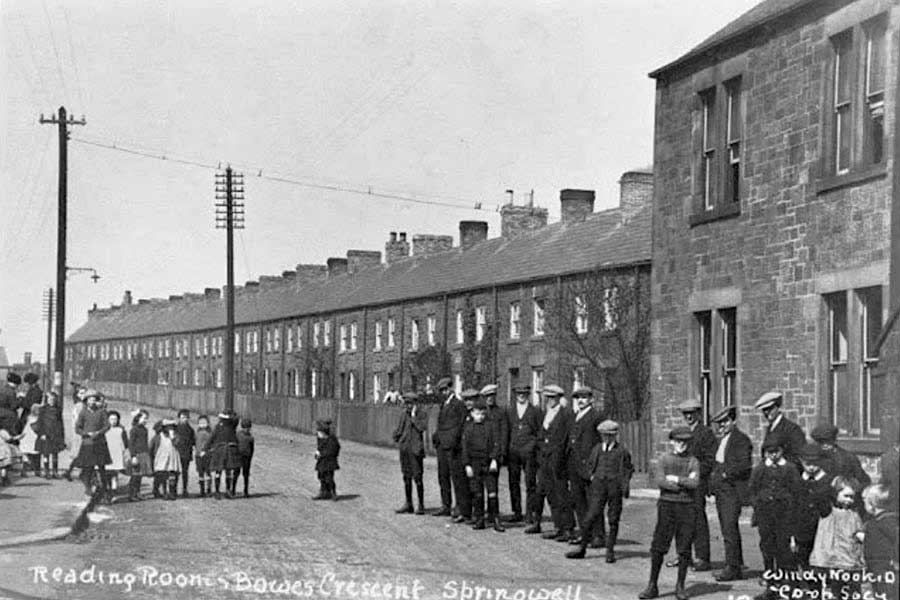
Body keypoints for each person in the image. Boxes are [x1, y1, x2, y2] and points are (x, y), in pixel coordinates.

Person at [638, 426, 700, 600]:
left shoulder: (693, 461)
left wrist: (676, 479)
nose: (682, 445)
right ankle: (652, 585)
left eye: (686, 441)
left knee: (684, 547)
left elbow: (695, 483)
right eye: (679, 441)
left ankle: (680, 586)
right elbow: (661, 481)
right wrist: (681, 484)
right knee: (658, 546)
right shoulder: (664, 460)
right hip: (667, 506)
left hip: (687, 507)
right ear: (672, 442)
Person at [566, 419, 633, 563]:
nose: (607, 438)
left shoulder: (622, 451)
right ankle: (582, 548)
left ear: (615, 436)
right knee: (590, 517)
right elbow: (590, 465)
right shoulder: (596, 449)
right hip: (598, 487)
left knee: (613, 519)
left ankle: (610, 551)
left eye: (610, 435)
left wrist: (625, 485)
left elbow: (628, 469)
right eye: (604, 435)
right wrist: (590, 476)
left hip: (614, 488)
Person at [749, 434, 801, 600]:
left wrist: (789, 506)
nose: (773, 455)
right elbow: (752, 489)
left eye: (776, 451)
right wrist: (758, 504)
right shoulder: (760, 469)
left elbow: (796, 491)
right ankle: (770, 583)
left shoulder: (790, 468)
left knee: (783, 549)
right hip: (765, 514)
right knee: (767, 548)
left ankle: (784, 584)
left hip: (784, 515)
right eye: (769, 452)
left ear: (781, 451)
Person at [708, 405, 753, 582]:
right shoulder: (723, 440)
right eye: (719, 423)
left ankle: (732, 568)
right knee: (727, 528)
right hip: (722, 490)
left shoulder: (741, 440)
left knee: (729, 528)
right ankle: (736, 563)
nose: (722, 426)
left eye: (725, 422)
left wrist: (725, 474)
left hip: (732, 490)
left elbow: (744, 465)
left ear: (733, 421)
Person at [671, 399, 716, 571]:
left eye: (692, 413)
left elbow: (709, 460)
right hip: (680, 485)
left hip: (696, 484)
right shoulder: (680, 433)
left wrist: (694, 473)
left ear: (698, 413)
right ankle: (683, 556)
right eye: (685, 414)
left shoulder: (706, 434)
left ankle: (703, 558)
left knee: (698, 520)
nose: (688, 416)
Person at [809, 477, 865, 600]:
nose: (849, 500)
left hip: (850, 559)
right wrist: (829, 482)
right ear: (835, 494)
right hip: (831, 560)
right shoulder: (828, 511)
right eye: (846, 496)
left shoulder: (854, 514)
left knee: (853, 591)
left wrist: (860, 535)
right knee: (833, 591)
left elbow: (858, 531)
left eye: (852, 497)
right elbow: (818, 495)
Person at [532, 384, 575, 541]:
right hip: (545, 459)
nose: (550, 400)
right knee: (551, 494)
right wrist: (542, 449)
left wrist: (559, 456)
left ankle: (568, 528)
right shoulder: (547, 413)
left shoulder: (565, 414)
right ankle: (558, 526)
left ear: (559, 398)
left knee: (562, 494)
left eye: (553, 398)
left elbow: (565, 439)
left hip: (558, 460)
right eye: (548, 398)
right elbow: (541, 436)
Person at [567, 386, 605, 548]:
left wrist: (597, 466)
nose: (581, 400)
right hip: (574, 466)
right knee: (579, 501)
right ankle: (585, 533)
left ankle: (598, 535)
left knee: (593, 502)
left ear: (591, 399)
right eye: (578, 398)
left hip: (590, 466)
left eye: (584, 397)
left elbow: (602, 443)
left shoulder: (597, 417)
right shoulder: (575, 416)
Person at [462, 397, 504, 532]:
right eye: (476, 413)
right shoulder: (468, 428)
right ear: (472, 414)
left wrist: (494, 460)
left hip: (488, 463)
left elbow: (497, 444)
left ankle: (495, 519)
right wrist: (467, 464)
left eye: (481, 414)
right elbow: (465, 447)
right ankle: (479, 519)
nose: (479, 416)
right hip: (475, 463)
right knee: (477, 492)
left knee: (492, 492)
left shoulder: (490, 427)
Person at [433, 378, 469, 520]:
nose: (444, 392)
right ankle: (445, 505)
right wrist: (436, 438)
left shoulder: (458, 404)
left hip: (453, 447)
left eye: (445, 390)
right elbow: (441, 424)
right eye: (441, 391)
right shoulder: (444, 404)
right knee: (443, 476)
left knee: (457, 478)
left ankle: (459, 507)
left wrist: (453, 442)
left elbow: (460, 426)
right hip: (442, 446)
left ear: (450, 389)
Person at [794, 443, 834, 570]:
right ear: (801, 462)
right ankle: (808, 582)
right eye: (807, 464)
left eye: (815, 464)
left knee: (821, 558)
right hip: (803, 528)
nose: (811, 467)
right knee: (803, 556)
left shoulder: (828, 481)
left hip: (822, 526)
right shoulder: (798, 481)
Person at [506, 384, 541, 526]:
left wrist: (533, 446)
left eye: (524, 393)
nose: (522, 396)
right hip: (513, 450)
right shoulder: (509, 410)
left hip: (529, 451)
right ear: (515, 394)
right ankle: (517, 511)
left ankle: (530, 513)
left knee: (530, 483)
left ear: (528, 394)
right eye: (519, 393)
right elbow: (506, 430)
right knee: (513, 481)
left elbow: (539, 432)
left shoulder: (535, 411)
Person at [857, 484, 898, 600]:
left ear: (871, 505)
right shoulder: (887, 521)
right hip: (882, 568)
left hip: (882, 568)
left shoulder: (879, 523)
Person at [393, 391, 428, 515]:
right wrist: (397, 436)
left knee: (417, 477)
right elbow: (399, 429)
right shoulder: (403, 414)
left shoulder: (421, 413)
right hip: (405, 449)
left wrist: (413, 417)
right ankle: (409, 504)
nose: (407, 406)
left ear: (415, 403)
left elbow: (422, 428)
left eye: (410, 403)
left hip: (415, 450)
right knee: (406, 476)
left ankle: (421, 505)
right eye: (406, 403)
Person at [74, 389, 111, 500]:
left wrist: (98, 433)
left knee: (101, 468)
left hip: (100, 443)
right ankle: (88, 488)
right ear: (86, 401)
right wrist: (86, 434)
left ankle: (104, 491)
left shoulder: (102, 412)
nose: (92, 402)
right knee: (88, 468)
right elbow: (77, 428)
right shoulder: (83, 413)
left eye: (94, 400)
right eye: (90, 400)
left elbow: (107, 426)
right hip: (87, 444)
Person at [810, 423, 871, 489]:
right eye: (821, 442)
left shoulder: (848, 458)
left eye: (828, 442)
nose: (825, 445)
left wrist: (850, 488)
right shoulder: (812, 458)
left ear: (834, 440)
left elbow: (864, 481)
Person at [754, 392, 805, 469]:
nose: (767, 412)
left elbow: (799, 457)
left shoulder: (791, 429)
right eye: (764, 409)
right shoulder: (770, 428)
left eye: (770, 408)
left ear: (778, 407)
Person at [206, 409, 241, 499]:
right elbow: (211, 437)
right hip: (220, 450)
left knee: (229, 471)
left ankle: (228, 490)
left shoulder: (232, 426)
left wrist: (231, 414)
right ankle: (217, 491)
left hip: (229, 450)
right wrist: (205, 448)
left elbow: (236, 419)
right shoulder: (218, 427)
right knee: (218, 471)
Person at [36, 391, 65, 478]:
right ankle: (46, 471)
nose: (52, 401)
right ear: (47, 400)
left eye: (54, 399)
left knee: (55, 453)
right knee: (46, 453)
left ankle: (55, 471)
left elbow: (60, 422)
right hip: (46, 433)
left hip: (56, 434)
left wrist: (62, 434)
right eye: (50, 399)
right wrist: (41, 434)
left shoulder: (58, 409)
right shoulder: (43, 409)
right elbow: (39, 423)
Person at [126, 409, 152, 501]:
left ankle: (137, 492)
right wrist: (133, 456)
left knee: (140, 475)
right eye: (144, 418)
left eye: (147, 419)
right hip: (137, 455)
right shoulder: (134, 429)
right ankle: (131, 494)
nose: (145, 420)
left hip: (143, 453)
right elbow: (131, 444)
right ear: (138, 418)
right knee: (135, 475)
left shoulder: (144, 429)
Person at [153, 419, 181, 501]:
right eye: (168, 427)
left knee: (172, 475)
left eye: (171, 427)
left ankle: (172, 492)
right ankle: (164, 492)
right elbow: (152, 445)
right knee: (163, 475)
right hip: (162, 457)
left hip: (172, 457)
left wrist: (173, 437)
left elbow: (177, 444)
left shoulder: (176, 435)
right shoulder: (159, 436)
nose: (170, 429)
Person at [313, 418, 340, 500]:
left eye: (319, 433)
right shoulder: (321, 439)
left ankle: (332, 492)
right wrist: (317, 453)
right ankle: (323, 492)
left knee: (329, 478)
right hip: (322, 462)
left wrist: (322, 454)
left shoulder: (332, 440)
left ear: (324, 432)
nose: (318, 434)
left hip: (329, 463)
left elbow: (333, 451)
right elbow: (320, 448)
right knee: (321, 477)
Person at [104, 410, 128, 499]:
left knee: (114, 473)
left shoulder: (121, 430)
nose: (113, 421)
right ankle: (107, 489)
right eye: (111, 419)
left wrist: (125, 452)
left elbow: (125, 443)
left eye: (115, 419)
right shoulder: (104, 430)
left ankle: (113, 489)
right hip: (107, 453)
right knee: (106, 472)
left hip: (117, 453)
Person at [174, 409, 196, 497]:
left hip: (186, 453)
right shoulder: (175, 428)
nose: (185, 419)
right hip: (177, 452)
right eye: (183, 417)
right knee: (175, 471)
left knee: (185, 472)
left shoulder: (190, 429)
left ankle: (184, 489)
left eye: (186, 417)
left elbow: (193, 441)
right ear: (179, 418)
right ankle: (174, 489)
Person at [17, 408, 40, 476]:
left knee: (27, 455)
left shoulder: (28, 418)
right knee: (34, 455)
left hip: (27, 437)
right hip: (32, 438)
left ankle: (25, 471)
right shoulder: (35, 419)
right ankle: (35, 471)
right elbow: (36, 428)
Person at [195, 415, 212, 498]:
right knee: (200, 473)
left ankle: (208, 490)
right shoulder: (197, 433)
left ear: (208, 423)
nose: (203, 424)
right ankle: (202, 491)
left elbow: (212, 444)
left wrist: (206, 452)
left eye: (204, 423)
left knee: (208, 472)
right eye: (201, 423)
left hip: (208, 455)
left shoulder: (210, 433)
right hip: (198, 455)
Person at [236, 418, 254, 497]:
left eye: (248, 428)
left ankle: (246, 491)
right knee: (236, 473)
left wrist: (250, 457)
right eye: (245, 428)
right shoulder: (238, 435)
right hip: (239, 456)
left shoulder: (250, 437)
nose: (247, 429)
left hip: (246, 457)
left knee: (246, 474)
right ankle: (233, 490)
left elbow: (252, 449)